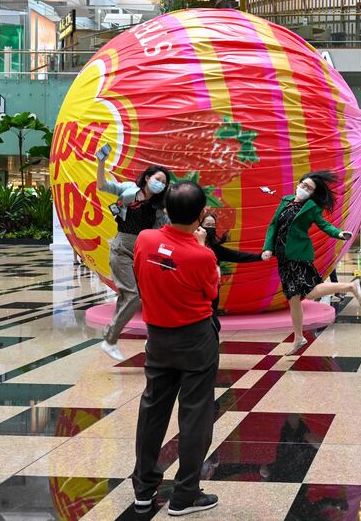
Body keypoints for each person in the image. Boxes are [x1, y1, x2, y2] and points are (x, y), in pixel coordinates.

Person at [131, 181, 220, 516]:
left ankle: (143, 488)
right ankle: (184, 495)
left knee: (153, 408)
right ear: (200, 216)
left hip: (157, 337)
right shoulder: (202, 254)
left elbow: (142, 274)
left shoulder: (145, 240)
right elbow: (211, 292)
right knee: (195, 413)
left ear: (165, 210)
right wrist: (198, 246)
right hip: (195, 338)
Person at [262, 172, 361, 355]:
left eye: (309, 188)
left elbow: (324, 225)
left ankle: (350, 286)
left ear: (313, 193)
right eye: (303, 185)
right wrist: (267, 248)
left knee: (306, 292)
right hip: (283, 256)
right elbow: (273, 225)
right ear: (298, 184)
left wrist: (339, 234)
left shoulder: (312, 207)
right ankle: (299, 337)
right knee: (293, 298)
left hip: (298, 254)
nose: (304, 189)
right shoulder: (285, 200)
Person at [97, 147, 170, 361]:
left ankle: (152, 338)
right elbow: (103, 185)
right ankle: (110, 339)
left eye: (164, 183)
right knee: (133, 296)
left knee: (143, 296)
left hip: (144, 251)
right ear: (147, 178)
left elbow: (164, 230)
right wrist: (101, 162)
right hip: (122, 248)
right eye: (158, 179)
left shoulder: (160, 205)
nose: (161, 185)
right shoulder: (129, 190)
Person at [200, 212, 262, 331]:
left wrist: (259, 257)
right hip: (196, 290)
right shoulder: (191, 245)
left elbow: (237, 256)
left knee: (213, 323)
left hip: (212, 289)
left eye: (213, 225)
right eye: (207, 225)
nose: (210, 228)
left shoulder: (215, 248)